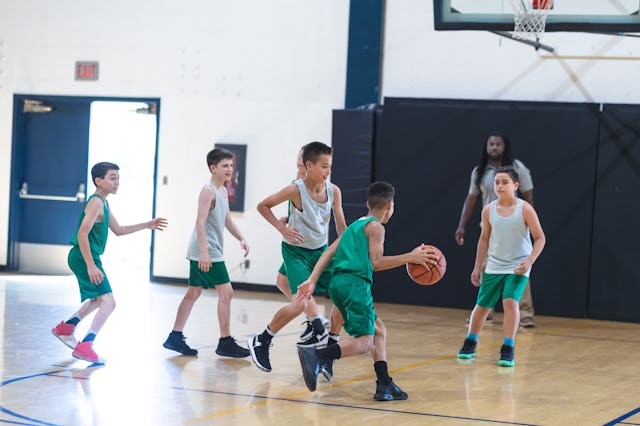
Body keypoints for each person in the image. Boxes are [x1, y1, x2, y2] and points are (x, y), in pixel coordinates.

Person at [296, 181, 436, 398]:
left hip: (337, 284)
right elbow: (377, 263)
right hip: (355, 284)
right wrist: (410, 256)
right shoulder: (376, 228)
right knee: (364, 342)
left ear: (367, 203)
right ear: (390, 205)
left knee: (379, 330)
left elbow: (328, 253)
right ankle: (317, 355)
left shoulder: (354, 226)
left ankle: (384, 384)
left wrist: (312, 280)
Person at [52, 162, 167, 363]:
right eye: (112, 178)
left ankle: (66, 328)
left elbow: (119, 230)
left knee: (98, 300)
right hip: (83, 256)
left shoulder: (104, 203)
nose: (117, 182)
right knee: (109, 302)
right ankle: (86, 345)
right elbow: (82, 234)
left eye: (118, 178)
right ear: (99, 181)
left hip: (85, 256)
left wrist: (146, 225)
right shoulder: (96, 202)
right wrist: (90, 264)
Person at [249, 141, 347, 373]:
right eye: (324, 166)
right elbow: (262, 206)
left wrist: (350, 251)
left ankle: (327, 344)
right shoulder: (295, 189)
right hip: (296, 253)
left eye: (330, 166)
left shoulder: (334, 191)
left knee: (344, 290)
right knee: (300, 301)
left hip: (321, 252)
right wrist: (281, 229)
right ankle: (262, 340)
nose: (329, 170)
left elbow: (342, 227)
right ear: (309, 166)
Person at [162, 148, 250, 358]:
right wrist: (203, 252)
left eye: (231, 165)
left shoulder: (221, 190)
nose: (230, 169)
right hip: (205, 250)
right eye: (225, 166)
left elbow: (227, 220)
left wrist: (242, 238)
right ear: (213, 168)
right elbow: (199, 222)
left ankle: (175, 336)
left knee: (194, 292)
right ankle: (225, 341)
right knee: (226, 292)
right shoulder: (208, 190)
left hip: (210, 249)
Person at [456, 166, 545, 367]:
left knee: (510, 303)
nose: (500, 186)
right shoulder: (489, 210)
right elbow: (484, 239)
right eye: (497, 182)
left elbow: (540, 238)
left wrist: (529, 260)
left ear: (515, 185)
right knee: (482, 306)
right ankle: (470, 342)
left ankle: (508, 348)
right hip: (495, 264)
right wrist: (477, 266)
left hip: (518, 266)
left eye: (504, 182)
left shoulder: (525, 209)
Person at [454, 132, 537, 327]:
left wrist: (528, 219)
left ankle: (525, 313)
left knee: (520, 267)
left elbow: (528, 193)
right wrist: (461, 225)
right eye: (490, 144)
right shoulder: (480, 171)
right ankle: (486, 311)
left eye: (498, 144)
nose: (494, 148)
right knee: (485, 266)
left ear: (504, 147)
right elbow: (472, 199)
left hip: (515, 223)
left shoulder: (517, 168)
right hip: (491, 224)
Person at [275, 146, 330, 341]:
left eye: (303, 155)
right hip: (296, 244)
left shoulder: (315, 186)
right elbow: (300, 213)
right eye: (298, 154)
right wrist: (286, 221)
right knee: (281, 281)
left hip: (308, 248)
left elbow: (316, 217)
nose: (300, 158)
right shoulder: (295, 183)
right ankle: (313, 319)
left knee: (301, 291)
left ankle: (318, 321)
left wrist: (284, 228)